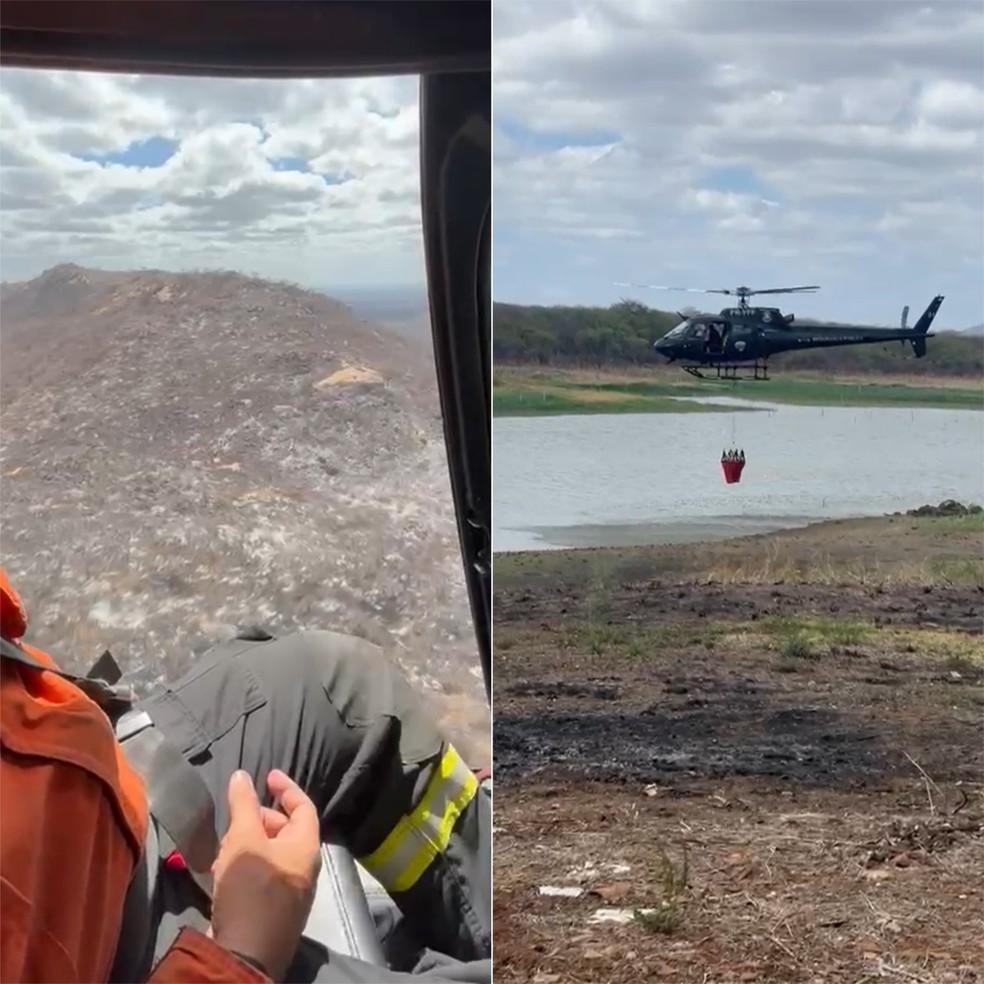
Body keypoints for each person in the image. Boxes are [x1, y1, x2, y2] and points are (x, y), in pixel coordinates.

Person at [0, 567, 491, 983]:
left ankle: (489, 927)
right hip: (117, 954)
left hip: (88, 791)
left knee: (344, 692)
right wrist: (242, 954)